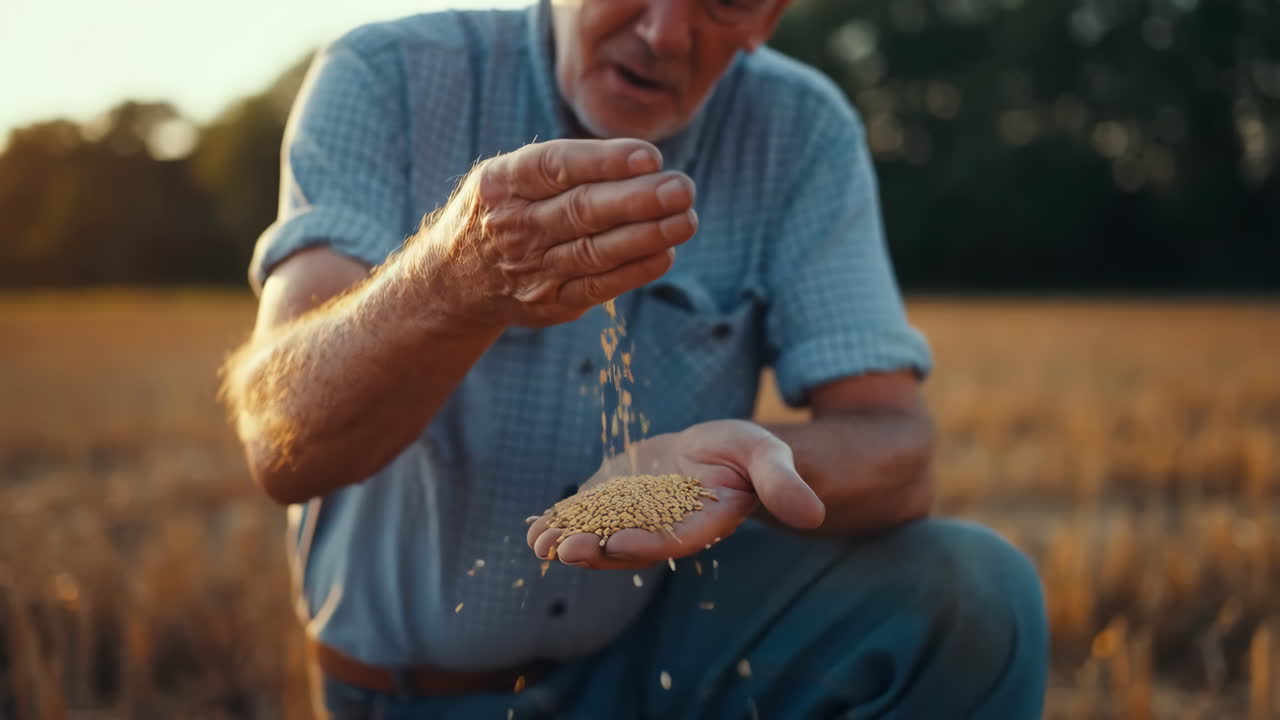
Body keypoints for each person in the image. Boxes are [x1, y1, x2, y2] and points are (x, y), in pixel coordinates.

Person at [219, 0, 1050, 717]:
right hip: (408, 694)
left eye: (722, 2)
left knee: (975, 597)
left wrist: (733, 469)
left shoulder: (801, 132)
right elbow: (282, 440)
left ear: (768, 18)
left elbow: (897, 451)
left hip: (650, 653)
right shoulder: (386, 76)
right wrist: (450, 279)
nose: (661, 32)